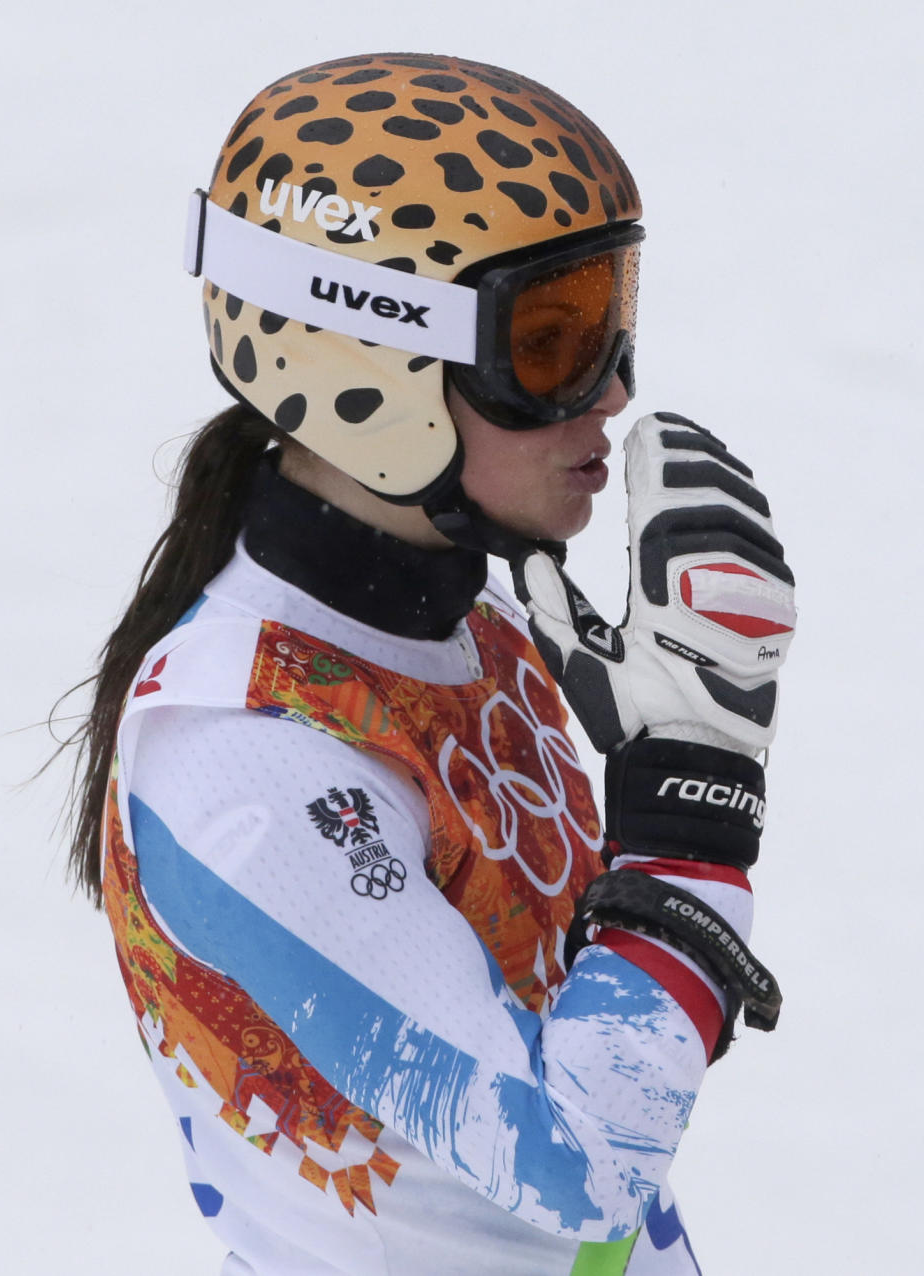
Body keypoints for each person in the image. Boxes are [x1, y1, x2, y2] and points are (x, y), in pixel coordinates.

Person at [68, 52, 796, 1275]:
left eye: (615, 311)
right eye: (552, 341)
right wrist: (690, 813)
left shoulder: (470, 627)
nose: (615, 389)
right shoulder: (245, 760)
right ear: (370, 369)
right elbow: (576, 1164)